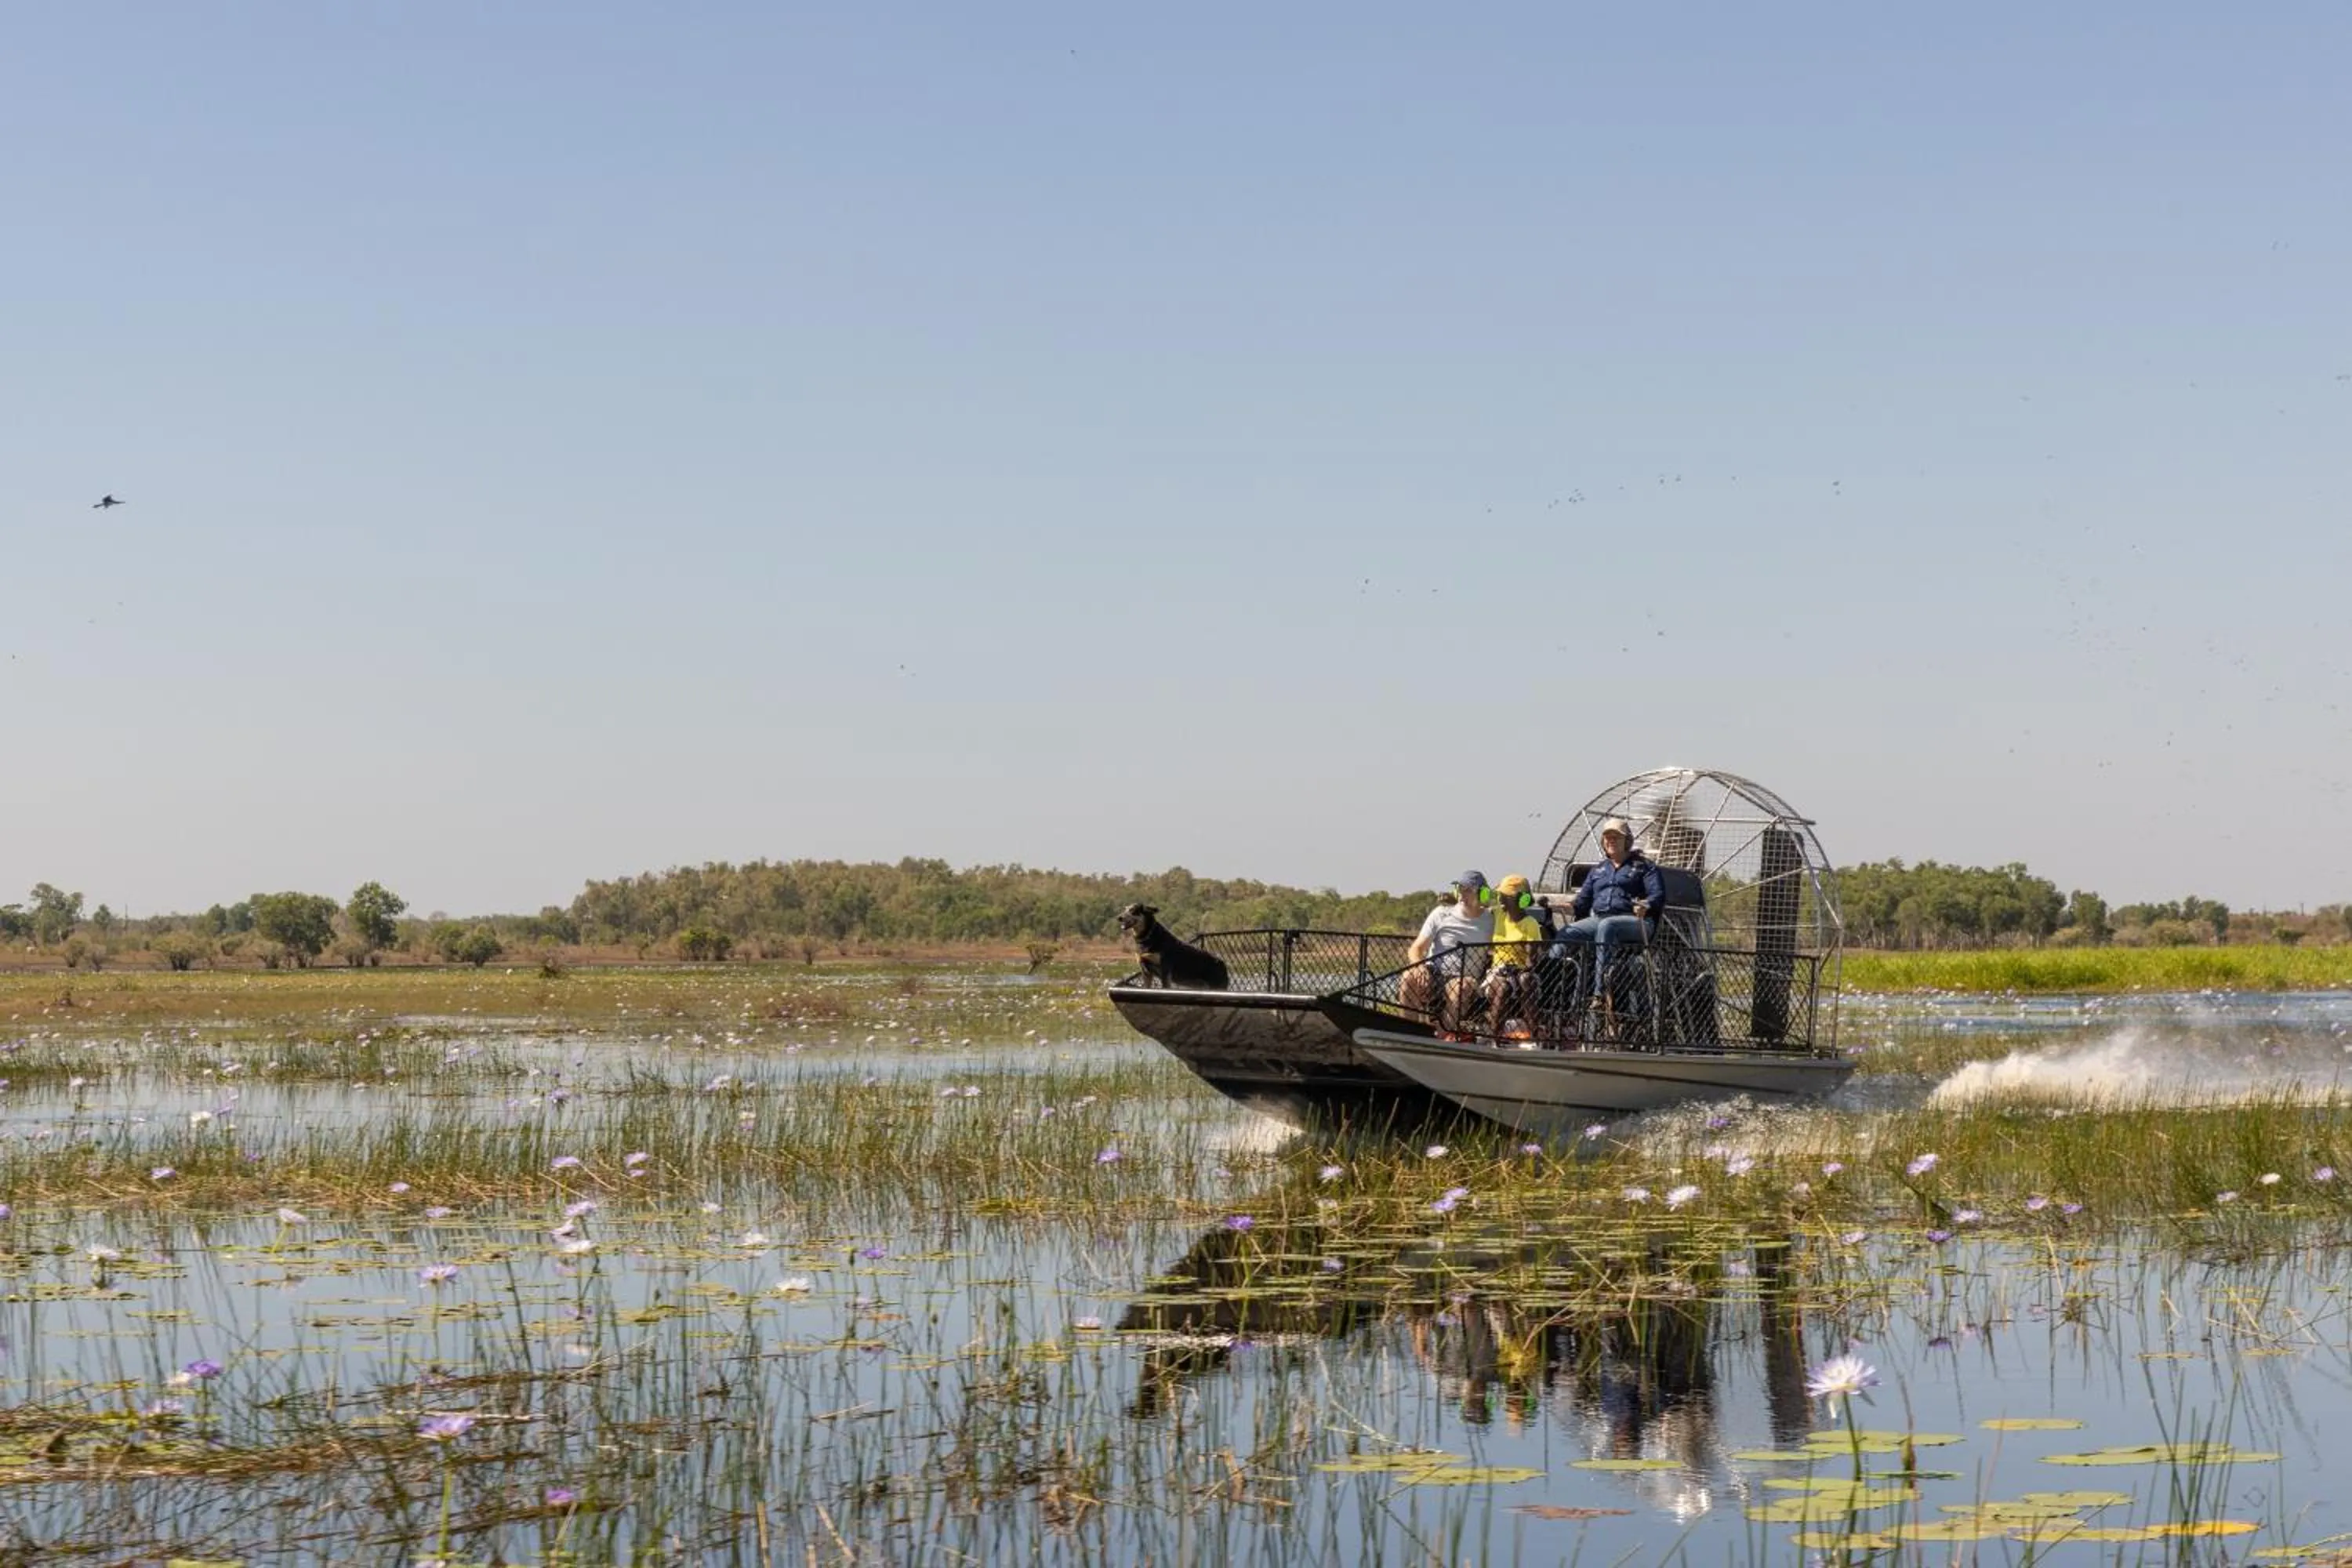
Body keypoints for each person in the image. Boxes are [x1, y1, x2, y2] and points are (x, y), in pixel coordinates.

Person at [1561, 818, 1668, 1024]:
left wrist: (1646, 904)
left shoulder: (1645, 867)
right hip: (1600, 919)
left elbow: (1659, 895)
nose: (1611, 840)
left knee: (1607, 926)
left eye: (1616, 837)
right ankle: (1551, 991)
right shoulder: (1598, 870)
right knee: (1567, 933)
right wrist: (1567, 907)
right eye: (1607, 837)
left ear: (1627, 841)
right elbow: (1582, 903)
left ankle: (1600, 993)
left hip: (1636, 921)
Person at [1403, 872, 1494, 1035]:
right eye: (1460, 889)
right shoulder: (1441, 913)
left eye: (1468, 890)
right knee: (1408, 977)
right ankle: (1409, 1032)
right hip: (1434, 973)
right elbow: (1416, 949)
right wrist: (1419, 967)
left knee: (1461, 987)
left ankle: (1443, 1035)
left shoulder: (1491, 920)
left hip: (1465, 979)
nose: (1462, 894)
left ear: (1482, 893)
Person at [1480, 874, 1555, 1040]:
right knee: (1504, 987)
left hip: (1521, 972)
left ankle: (1535, 1034)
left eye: (1506, 896)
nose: (1501, 898)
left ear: (1520, 899)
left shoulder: (1530, 924)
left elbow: (1531, 959)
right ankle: (1494, 1036)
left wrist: (1519, 969)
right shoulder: (1498, 914)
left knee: (1525, 980)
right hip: (1497, 972)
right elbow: (1482, 901)